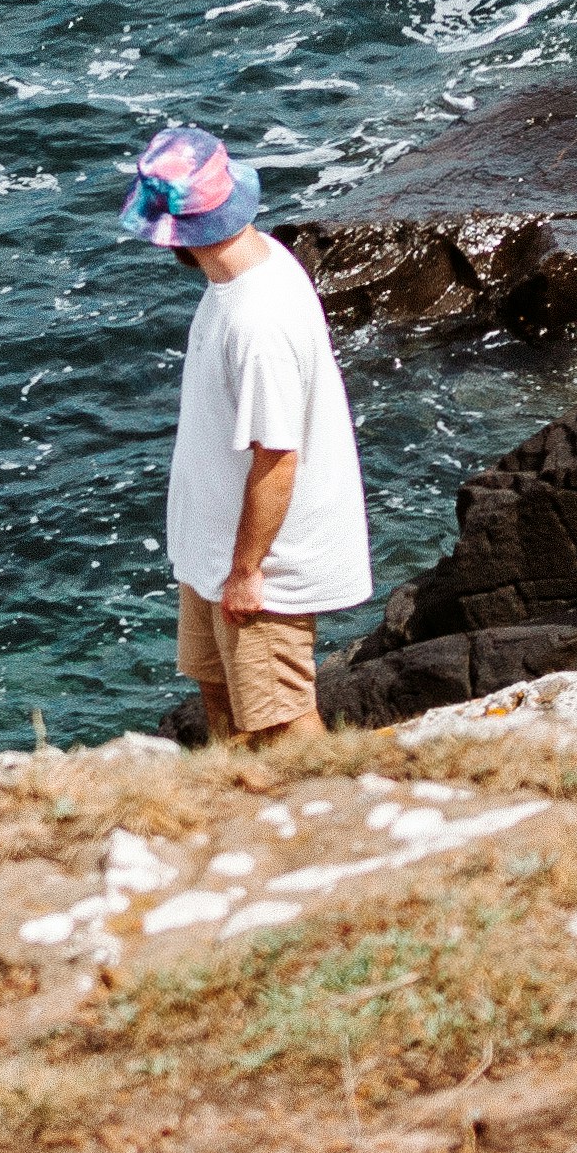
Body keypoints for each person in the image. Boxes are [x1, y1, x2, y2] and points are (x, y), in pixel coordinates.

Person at [116, 122, 368, 746]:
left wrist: (248, 571)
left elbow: (278, 459)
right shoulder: (249, 267)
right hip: (215, 548)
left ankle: (327, 828)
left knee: (282, 720)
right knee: (221, 700)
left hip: (259, 563)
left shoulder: (257, 325)